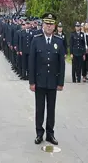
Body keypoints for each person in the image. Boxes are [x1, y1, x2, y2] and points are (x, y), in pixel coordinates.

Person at [29, 13, 65, 145]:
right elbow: (31, 62)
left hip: (53, 81)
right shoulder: (36, 40)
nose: (49, 26)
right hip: (39, 81)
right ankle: (39, 133)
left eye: (51, 24)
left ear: (54, 26)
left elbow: (62, 63)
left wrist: (60, 82)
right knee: (40, 109)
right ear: (42, 25)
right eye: (46, 23)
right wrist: (32, 82)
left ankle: (50, 134)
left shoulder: (59, 41)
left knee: (51, 109)